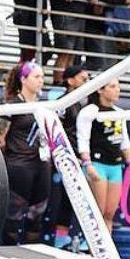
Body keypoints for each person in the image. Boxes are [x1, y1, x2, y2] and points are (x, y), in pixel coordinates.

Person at [0, 62, 51, 245]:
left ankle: (32, 250)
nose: (40, 81)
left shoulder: (44, 106)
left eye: (42, 77)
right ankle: (8, 252)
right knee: (13, 216)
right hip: (19, 166)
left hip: (41, 165)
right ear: (23, 79)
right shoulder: (12, 105)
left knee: (37, 214)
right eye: (36, 77)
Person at [76, 80, 130, 233]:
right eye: (112, 87)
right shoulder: (90, 111)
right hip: (98, 164)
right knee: (98, 211)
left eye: (118, 86)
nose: (117, 90)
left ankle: (108, 251)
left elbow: (124, 141)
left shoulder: (118, 112)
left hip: (115, 165)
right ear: (100, 90)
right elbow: (83, 139)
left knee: (109, 213)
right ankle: (94, 252)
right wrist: (88, 164)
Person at [45, 64, 89, 248]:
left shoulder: (85, 103)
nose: (87, 83)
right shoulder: (62, 104)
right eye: (83, 79)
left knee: (79, 202)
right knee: (63, 200)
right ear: (70, 81)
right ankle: (59, 241)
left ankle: (77, 240)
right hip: (65, 161)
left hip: (82, 159)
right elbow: (57, 134)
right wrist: (67, 157)